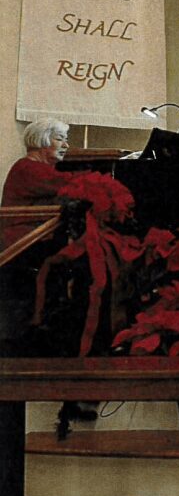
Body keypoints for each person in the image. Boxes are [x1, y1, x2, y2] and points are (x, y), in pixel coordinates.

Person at [0, 118, 72, 356]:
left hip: (33, 239)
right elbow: (69, 185)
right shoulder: (28, 167)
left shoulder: (36, 168)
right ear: (42, 141)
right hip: (21, 243)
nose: (66, 145)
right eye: (59, 139)